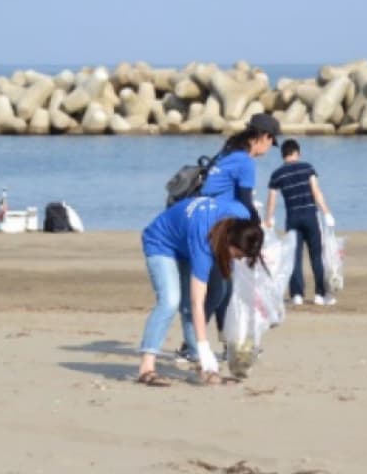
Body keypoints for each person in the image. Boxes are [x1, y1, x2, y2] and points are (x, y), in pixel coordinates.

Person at [175, 112, 280, 362]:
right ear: (263, 137)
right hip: (216, 230)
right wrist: (258, 230)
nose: (269, 147)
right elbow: (245, 202)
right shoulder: (244, 162)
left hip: (206, 223)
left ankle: (227, 343)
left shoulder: (227, 153)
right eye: (270, 141)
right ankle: (191, 345)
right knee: (218, 290)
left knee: (226, 289)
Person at [136, 196, 264, 386]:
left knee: (219, 292)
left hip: (186, 242)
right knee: (171, 300)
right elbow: (197, 302)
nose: (238, 260)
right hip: (162, 243)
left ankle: (197, 358)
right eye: (237, 255)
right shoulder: (203, 243)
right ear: (228, 242)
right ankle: (147, 367)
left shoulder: (242, 217)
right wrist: (206, 349)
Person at [265, 138, 337, 306]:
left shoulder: (277, 174)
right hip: (310, 216)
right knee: (316, 256)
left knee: (294, 257)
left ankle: (297, 294)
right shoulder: (307, 168)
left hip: (292, 218)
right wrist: (327, 213)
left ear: (283, 155)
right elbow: (316, 191)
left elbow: (272, 200)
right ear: (297, 153)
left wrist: (269, 218)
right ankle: (321, 294)